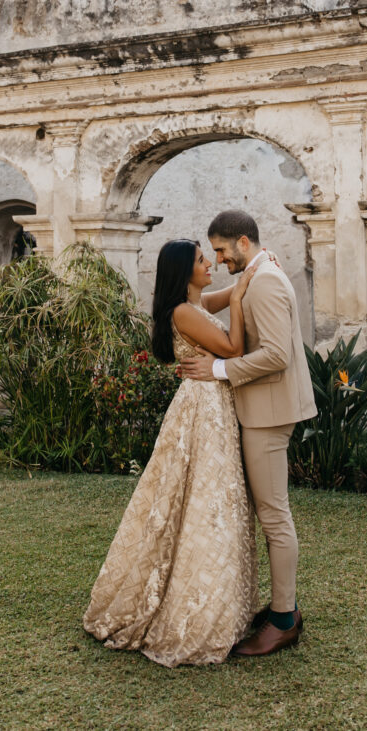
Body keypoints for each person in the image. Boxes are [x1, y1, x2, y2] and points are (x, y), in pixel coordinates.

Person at [83, 238, 263, 666]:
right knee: (205, 498)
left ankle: (220, 604)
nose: (210, 264)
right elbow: (233, 349)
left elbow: (217, 297)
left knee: (202, 498)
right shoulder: (184, 312)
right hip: (203, 411)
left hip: (207, 407)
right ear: (185, 272)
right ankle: (195, 613)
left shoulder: (193, 305)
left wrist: (250, 272)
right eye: (203, 260)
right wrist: (239, 300)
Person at [177, 209, 317, 657]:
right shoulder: (256, 273)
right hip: (261, 409)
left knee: (274, 517)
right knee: (267, 514)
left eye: (220, 250)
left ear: (241, 242)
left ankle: (282, 621)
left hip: (269, 414)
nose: (217, 259)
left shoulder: (267, 280)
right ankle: (281, 607)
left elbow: (276, 355)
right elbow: (209, 304)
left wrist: (217, 368)